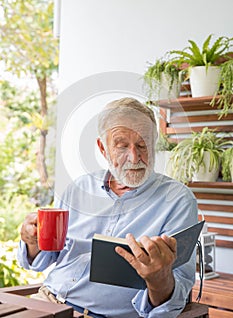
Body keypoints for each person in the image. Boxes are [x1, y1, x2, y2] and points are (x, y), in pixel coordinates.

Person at [18, 97, 198, 318]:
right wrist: (31, 242)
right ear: (103, 148)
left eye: (143, 145)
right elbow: (42, 260)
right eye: (122, 146)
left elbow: (174, 299)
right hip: (48, 302)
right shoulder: (78, 188)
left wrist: (159, 279)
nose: (134, 157)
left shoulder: (178, 200)